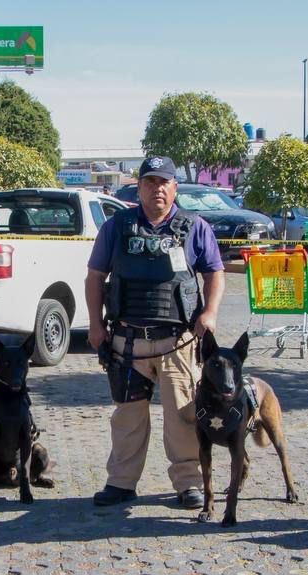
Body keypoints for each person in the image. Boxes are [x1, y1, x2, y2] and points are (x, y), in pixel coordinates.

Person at [85, 155, 225, 509]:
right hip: (127, 341)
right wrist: (96, 324)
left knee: (182, 413)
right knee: (128, 414)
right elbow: (95, 277)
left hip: (177, 341)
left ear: (174, 187)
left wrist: (209, 312)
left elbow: (215, 273)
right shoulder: (117, 226)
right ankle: (121, 482)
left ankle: (189, 483)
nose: (157, 189)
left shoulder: (195, 227)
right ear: (139, 187)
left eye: (164, 182)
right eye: (150, 182)